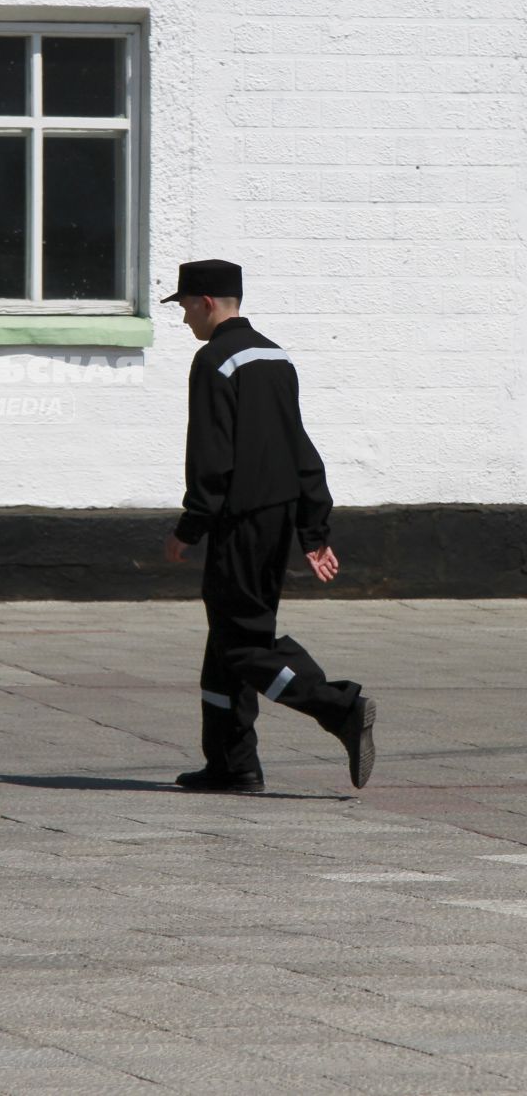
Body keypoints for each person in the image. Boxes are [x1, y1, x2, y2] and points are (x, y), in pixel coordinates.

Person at [162, 258, 375, 792]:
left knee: (243, 645)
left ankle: (338, 706)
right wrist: (313, 529)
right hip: (276, 521)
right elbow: (299, 447)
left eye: (185, 305)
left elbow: (211, 458)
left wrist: (190, 527)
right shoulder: (276, 358)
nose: (184, 317)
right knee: (224, 643)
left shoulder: (214, 361)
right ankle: (233, 764)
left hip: (239, 522)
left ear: (207, 302)